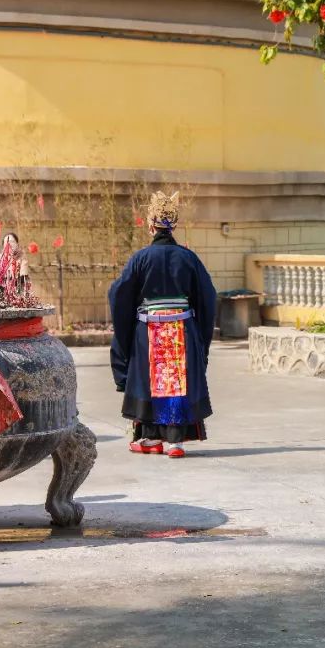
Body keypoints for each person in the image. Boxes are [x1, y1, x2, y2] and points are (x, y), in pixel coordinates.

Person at [109, 191, 217, 459]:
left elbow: (118, 294)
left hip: (149, 329)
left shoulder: (141, 258)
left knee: (149, 381)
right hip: (182, 327)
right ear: (174, 225)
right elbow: (207, 296)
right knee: (177, 381)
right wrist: (199, 338)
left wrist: (127, 328)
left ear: (150, 225)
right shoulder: (188, 258)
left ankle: (148, 438)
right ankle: (176, 442)